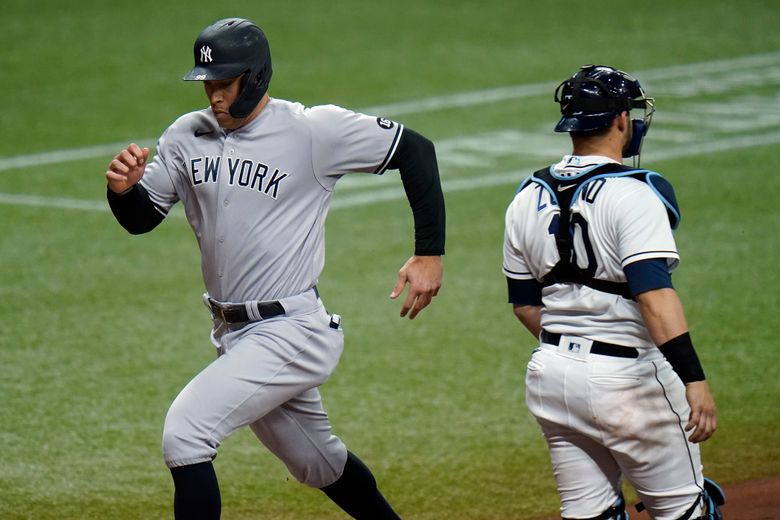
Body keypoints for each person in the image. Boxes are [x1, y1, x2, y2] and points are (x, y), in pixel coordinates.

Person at [105, 17, 445, 520]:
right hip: (232, 332)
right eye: (207, 84)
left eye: (225, 82)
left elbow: (415, 150)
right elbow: (141, 219)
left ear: (256, 77)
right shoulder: (185, 134)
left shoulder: (312, 130)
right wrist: (122, 191)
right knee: (318, 462)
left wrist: (428, 253)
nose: (214, 95)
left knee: (186, 434)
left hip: (292, 329)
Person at [502, 65, 725, 519]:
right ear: (623, 119)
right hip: (629, 382)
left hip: (551, 377)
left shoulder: (525, 196)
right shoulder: (635, 195)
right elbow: (654, 296)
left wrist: (577, 353)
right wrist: (694, 380)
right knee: (686, 511)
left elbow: (524, 304)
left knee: (589, 515)